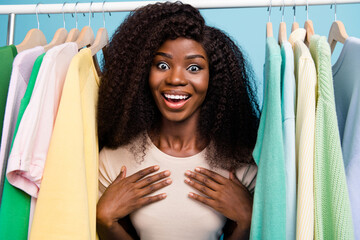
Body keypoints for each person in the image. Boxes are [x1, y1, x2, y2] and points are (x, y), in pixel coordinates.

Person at [96, 2, 260, 239]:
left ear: (213, 79)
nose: (175, 78)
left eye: (194, 68)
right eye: (162, 65)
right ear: (143, 72)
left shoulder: (241, 162)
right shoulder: (115, 160)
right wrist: (105, 220)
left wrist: (247, 220)